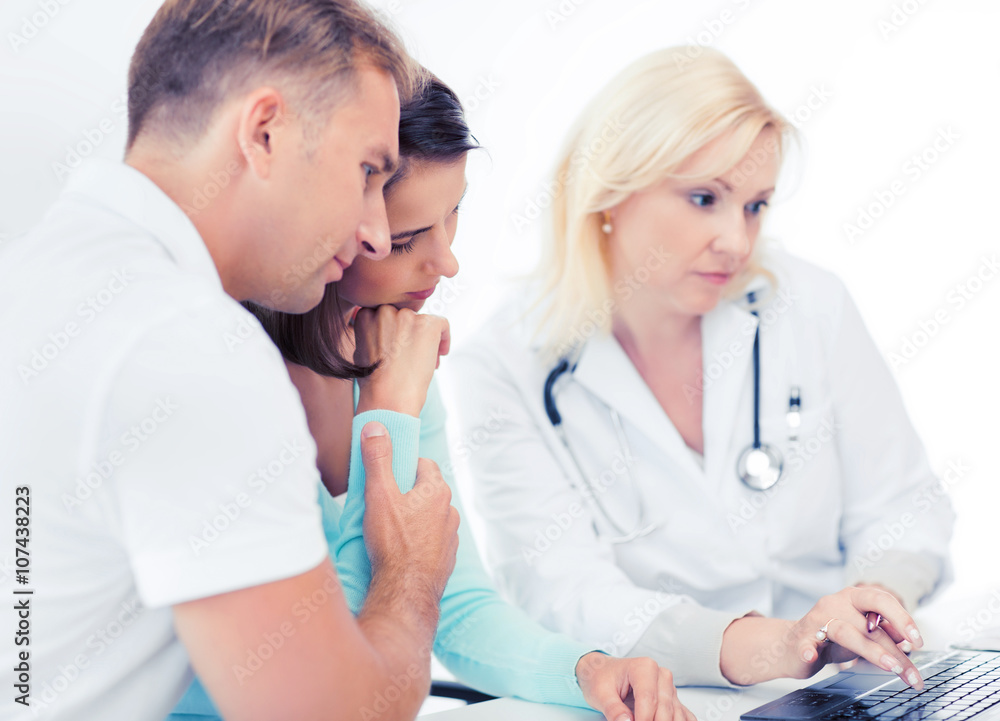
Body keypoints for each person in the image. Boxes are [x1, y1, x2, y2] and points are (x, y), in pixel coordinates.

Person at [171, 73, 695, 721]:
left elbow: (457, 607)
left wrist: (587, 669)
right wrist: (389, 407)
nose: (446, 263)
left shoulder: (394, 352)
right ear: (339, 220)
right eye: (409, 237)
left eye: (454, 215)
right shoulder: (225, 376)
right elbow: (343, 656)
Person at [0, 2, 465, 720]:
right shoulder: (188, 346)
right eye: (368, 171)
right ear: (265, 132)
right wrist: (409, 576)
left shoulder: (39, 274)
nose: (376, 230)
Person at [448, 47, 955, 691]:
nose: (737, 243)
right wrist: (785, 644)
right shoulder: (503, 365)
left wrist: (873, 603)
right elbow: (562, 590)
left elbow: (906, 506)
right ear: (610, 191)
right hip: (676, 692)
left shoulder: (810, 304)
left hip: (859, 679)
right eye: (703, 198)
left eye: (755, 205)